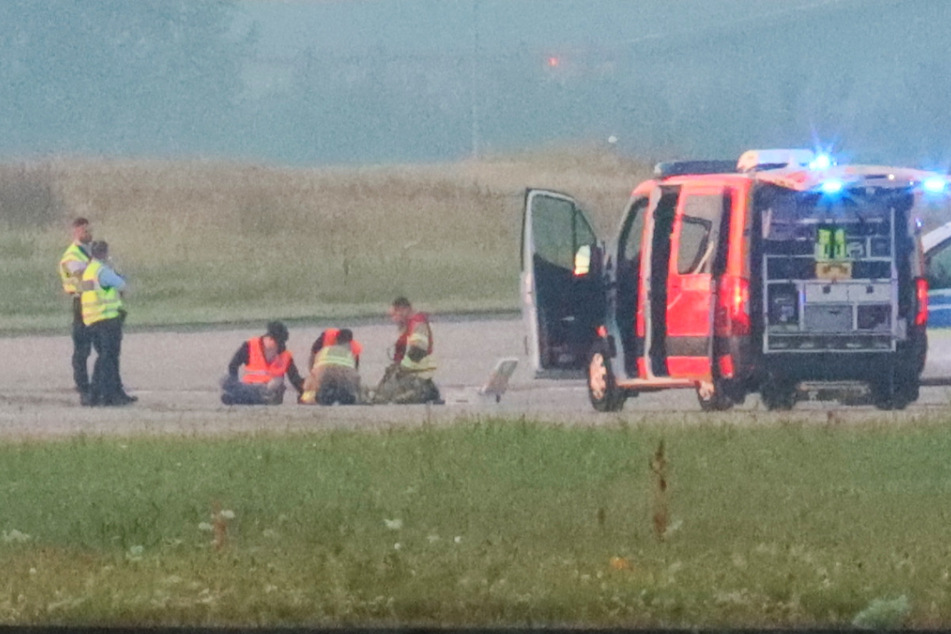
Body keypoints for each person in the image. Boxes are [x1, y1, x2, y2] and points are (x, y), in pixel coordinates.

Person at [81, 240, 136, 406]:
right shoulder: (102, 270)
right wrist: (117, 273)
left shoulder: (88, 270)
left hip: (92, 319)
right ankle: (108, 394)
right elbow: (121, 284)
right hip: (107, 318)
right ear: (104, 253)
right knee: (109, 358)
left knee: (103, 357)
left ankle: (97, 394)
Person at [371, 297, 442, 404]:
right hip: (410, 374)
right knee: (381, 395)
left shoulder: (417, 324)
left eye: (395, 314)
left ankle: (424, 392)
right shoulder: (407, 326)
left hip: (417, 375)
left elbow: (418, 350)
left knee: (392, 399)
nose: (393, 319)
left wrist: (401, 369)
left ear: (404, 310)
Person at [221, 321, 304, 405]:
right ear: (270, 339)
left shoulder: (285, 355)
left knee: (242, 391)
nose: (280, 347)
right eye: (279, 343)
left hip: (270, 392)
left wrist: (306, 392)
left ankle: (236, 397)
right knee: (226, 381)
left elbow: (296, 380)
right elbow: (233, 365)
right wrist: (235, 381)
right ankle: (236, 396)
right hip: (248, 387)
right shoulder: (250, 345)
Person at [59, 217, 93, 399]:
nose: (88, 234)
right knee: (82, 345)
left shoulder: (88, 252)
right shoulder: (72, 256)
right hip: (81, 301)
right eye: (84, 230)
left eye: (89, 230)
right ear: (76, 231)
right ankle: (81, 382)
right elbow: (82, 280)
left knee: (96, 343)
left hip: (92, 301)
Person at [300, 328, 363, 405]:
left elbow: (314, 370)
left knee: (311, 391)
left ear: (336, 340)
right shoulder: (351, 354)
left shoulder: (324, 350)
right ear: (350, 343)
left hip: (324, 377)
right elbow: (355, 373)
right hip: (346, 379)